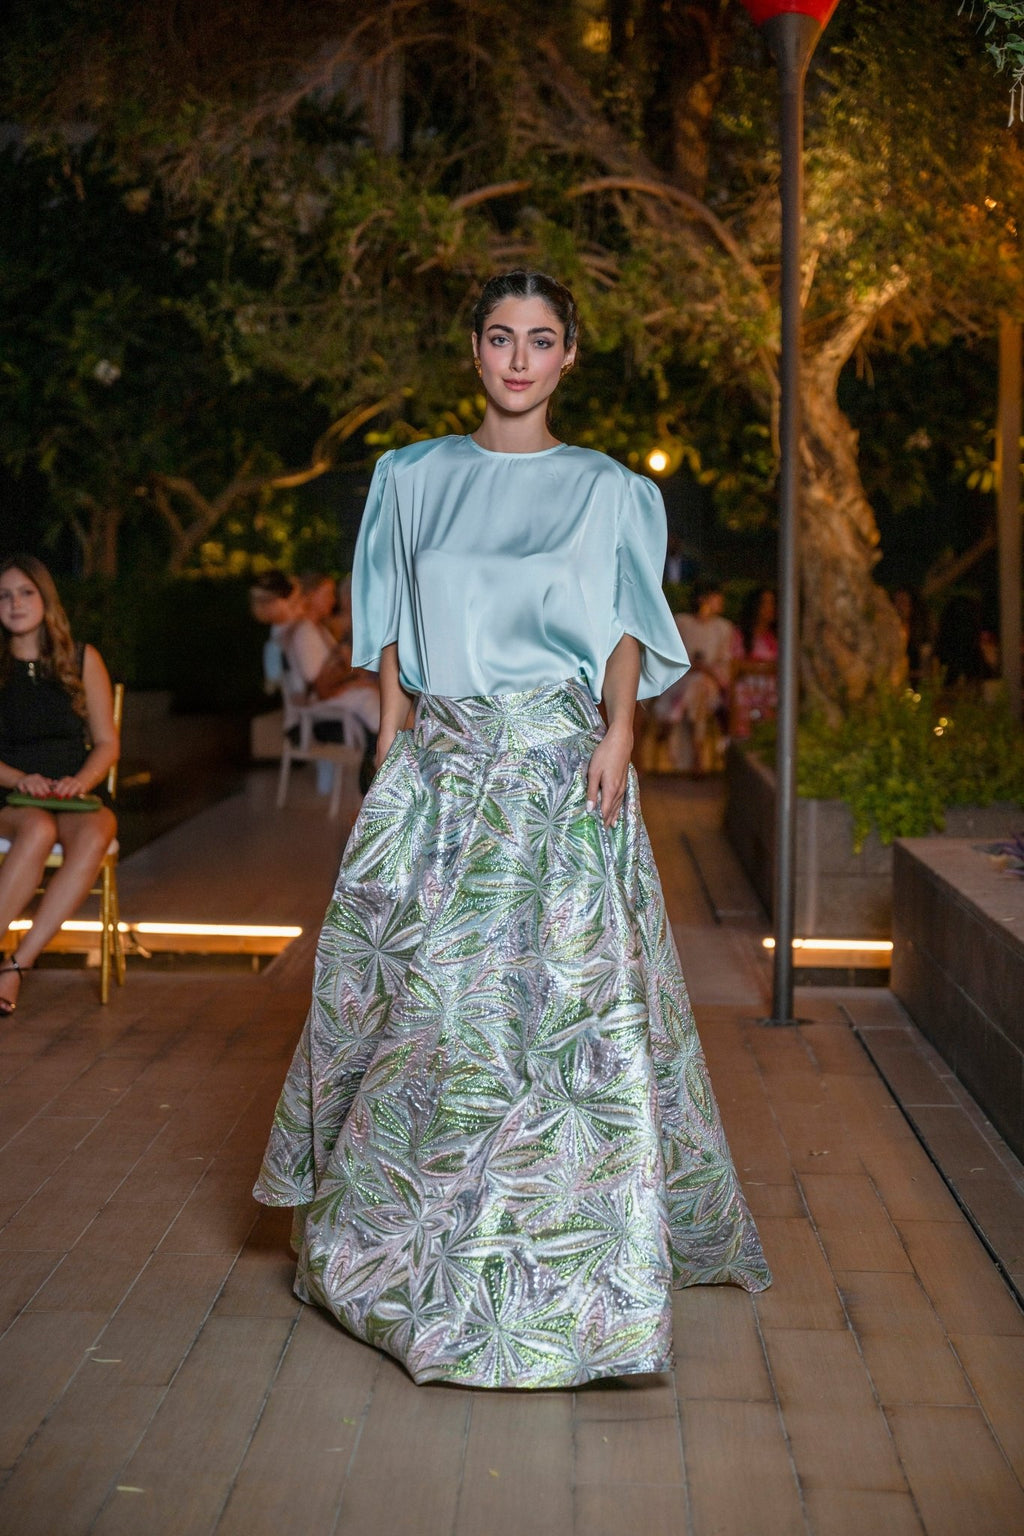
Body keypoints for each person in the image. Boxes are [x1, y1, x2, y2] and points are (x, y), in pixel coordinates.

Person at [253, 270, 769, 1389]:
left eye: (541, 339)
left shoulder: (611, 490)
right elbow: (390, 622)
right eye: (501, 337)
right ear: (475, 350)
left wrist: (620, 730)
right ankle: (409, 1246)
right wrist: (389, 746)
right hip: (441, 772)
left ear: (569, 354)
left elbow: (624, 624)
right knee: (426, 1015)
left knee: (562, 1023)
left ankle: (573, 1278)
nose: (520, 359)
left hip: (557, 772)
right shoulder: (411, 477)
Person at [0, 555, 119, 1016]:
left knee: (96, 831)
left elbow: (107, 742)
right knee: (38, 830)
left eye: (25, 592)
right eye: (4, 595)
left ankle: (16, 965)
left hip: (74, 789)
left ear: (45, 599)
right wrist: (20, 779)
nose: (15, 603)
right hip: (11, 790)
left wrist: (81, 782)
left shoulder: (82, 658)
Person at [653, 579, 739, 773]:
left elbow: (724, 663)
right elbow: (671, 657)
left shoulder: (724, 628)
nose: (721, 601)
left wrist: (706, 670)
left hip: (710, 684)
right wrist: (694, 667)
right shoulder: (682, 623)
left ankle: (673, 717)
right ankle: (697, 753)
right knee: (696, 686)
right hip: (682, 681)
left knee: (700, 686)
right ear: (703, 599)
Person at [731, 586, 778, 739]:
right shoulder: (740, 635)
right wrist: (764, 667)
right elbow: (735, 665)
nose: (770, 608)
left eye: (772, 603)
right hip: (746, 690)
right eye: (765, 603)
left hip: (772, 692)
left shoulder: (778, 636)